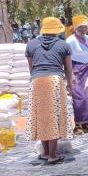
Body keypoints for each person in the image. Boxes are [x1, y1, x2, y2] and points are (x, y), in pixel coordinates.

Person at [25, 17, 74, 164]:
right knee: (54, 116)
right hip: (55, 81)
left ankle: (46, 153)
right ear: (58, 30)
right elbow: (68, 69)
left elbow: (31, 68)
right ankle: (53, 155)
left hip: (37, 80)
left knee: (42, 115)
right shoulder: (63, 45)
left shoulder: (31, 45)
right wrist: (70, 85)